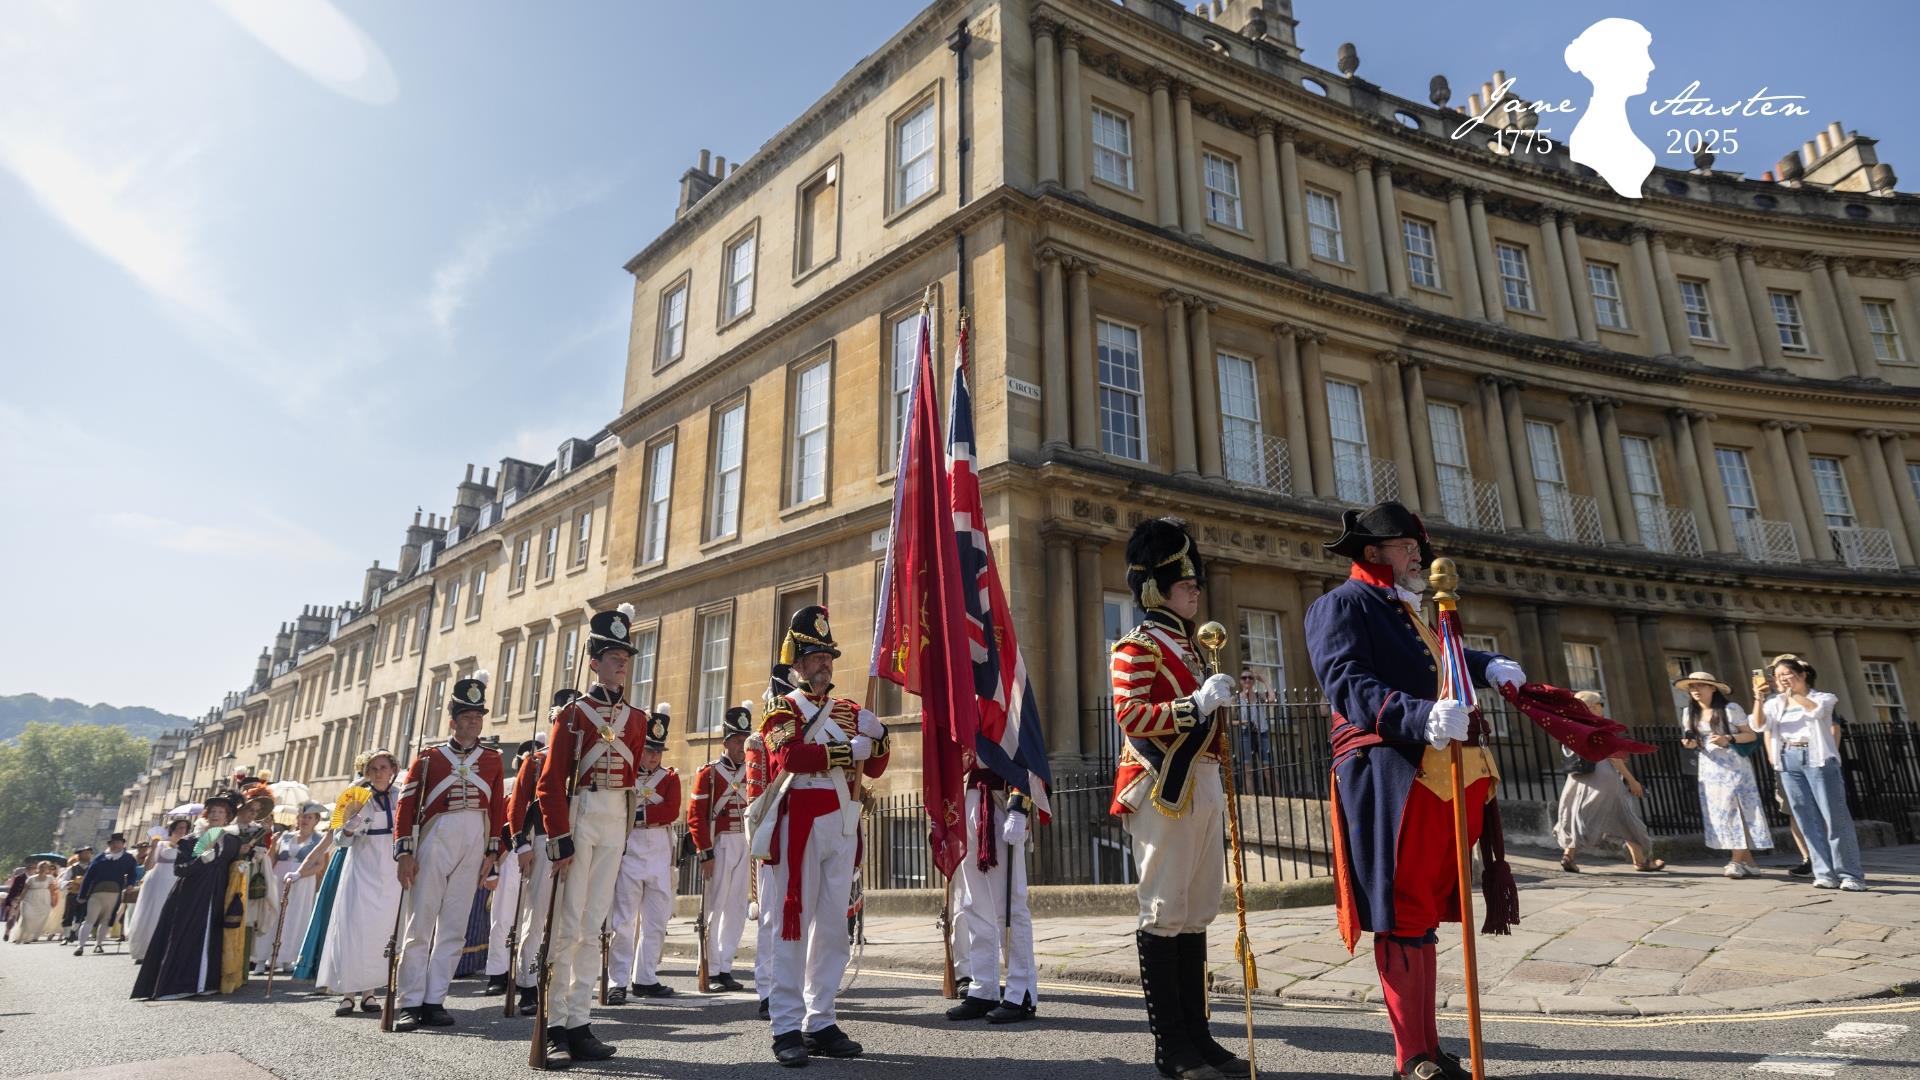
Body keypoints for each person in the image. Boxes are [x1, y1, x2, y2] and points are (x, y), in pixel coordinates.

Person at [1306, 502, 1526, 1080]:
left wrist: (1489, 664)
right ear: (1374, 553)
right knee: (1402, 911)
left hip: (1439, 774)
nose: (1419, 558)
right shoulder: (1341, 605)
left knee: (1422, 911)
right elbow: (1347, 682)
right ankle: (1413, 1057)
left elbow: (1437, 660)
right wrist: (1418, 716)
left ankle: (1429, 1047)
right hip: (1390, 769)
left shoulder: (1409, 612)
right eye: (1408, 548)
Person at [755, 605, 890, 1067]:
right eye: (813, 656)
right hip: (798, 823)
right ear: (795, 662)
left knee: (833, 926)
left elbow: (871, 766)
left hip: (840, 822)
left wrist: (880, 736)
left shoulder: (850, 711)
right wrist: (840, 750)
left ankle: (822, 1017)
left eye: (827, 655)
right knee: (791, 925)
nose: (822, 664)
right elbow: (789, 758)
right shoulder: (780, 709)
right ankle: (787, 1025)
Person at [537, 604, 651, 1064]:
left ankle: (580, 1020)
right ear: (593, 662)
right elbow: (550, 782)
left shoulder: (637, 719)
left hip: (613, 817)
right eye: (611, 656)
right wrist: (559, 837)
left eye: (624, 657)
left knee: (594, 924)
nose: (620, 663)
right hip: (581, 814)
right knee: (566, 926)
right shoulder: (573, 714)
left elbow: (633, 772)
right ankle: (554, 1024)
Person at [391, 672, 508, 1030]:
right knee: (421, 922)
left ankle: (434, 998)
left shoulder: (492, 760)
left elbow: (497, 810)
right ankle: (410, 1000)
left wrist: (493, 852)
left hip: (474, 839)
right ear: (453, 721)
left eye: (478, 718)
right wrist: (404, 853)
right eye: (467, 718)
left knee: (454, 926)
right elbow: (407, 808)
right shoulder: (429, 759)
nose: (474, 723)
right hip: (436, 837)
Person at [131, 791, 264, 999]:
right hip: (191, 896)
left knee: (212, 937)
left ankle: (206, 982)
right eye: (213, 811)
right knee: (186, 935)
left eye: (221, 812)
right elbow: (180, 869)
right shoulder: (193, 840)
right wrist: (201, 860)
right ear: (206, 814)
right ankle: (179, 984)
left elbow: (235, 863)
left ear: (228, 816)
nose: (216, 815)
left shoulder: (231, 840)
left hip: (217, 895)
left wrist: (249, 858)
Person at [1752, 657, 1865, 890]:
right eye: (1778, 675)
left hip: (1818, 760)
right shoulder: (1775, 703)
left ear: (1802, 675)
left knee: (1835, 818)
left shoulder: (1823, 698)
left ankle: (1850, 874)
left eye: (1786, 674)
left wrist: (1791, 693)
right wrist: (1758, 697)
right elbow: (1758, 724)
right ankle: (1823, 872)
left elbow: (1816, 712)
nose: (1781, 679)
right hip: (1788, 760)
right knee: (1806, 819)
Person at [312, 749, 405, 1016]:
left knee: (382, 928)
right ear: (365, 771)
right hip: (362, 865)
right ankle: (347, 993)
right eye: (373, 768)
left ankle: (370, 992)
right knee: (354, 925)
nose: (378, 773)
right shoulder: (353, 796)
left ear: (392, 769)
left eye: (383, 767)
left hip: (390, 866)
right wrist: (351, 825)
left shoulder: (401, 796)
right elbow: (339, 839)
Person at [947, 757, 1038, 1024]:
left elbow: (1029, 750)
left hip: (1000, 800)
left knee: (1009, 905)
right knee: (974, 904)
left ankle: (1021, 992)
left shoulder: (1013, 711)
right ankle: (983, 987)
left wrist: (1021, 804)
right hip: (969, 798)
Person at [607, 708, 680, 1003]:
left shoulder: (669, 778)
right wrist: (645, 815)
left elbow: (671, 810)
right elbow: (619, 811)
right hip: (631, 849)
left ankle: (646, 977)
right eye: (649, 750)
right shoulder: (625, 776)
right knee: (623, 921)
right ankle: (617, 981)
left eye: (658, 752)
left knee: (656, 920)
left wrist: (637, 814)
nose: (653, 757)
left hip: (660, 851)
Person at [509, 696, 572, 1016]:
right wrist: (520, 846)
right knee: (536, 918)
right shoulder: (536, 761)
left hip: (577, 843)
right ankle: (527, 983)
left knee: (567, 918)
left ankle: (559, 981)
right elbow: (517, 806)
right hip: (545, 841)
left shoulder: (585, 758)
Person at [1674, 672, 1772, 878]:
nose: (1696, 690)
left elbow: (1751, 735)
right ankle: (1750, 863)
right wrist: (1690, 743)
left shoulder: (1730, 709)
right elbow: (1691, 739)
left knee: (1735, 809)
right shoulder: (1688, 713)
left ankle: (1736, 860)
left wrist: (1729, 737)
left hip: (1734, 765)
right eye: (1692, 687)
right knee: (1721, 812)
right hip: (1709, 768)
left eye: (1701, 686)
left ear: (1713, 688)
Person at [1554, 691, 1662, 873]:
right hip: (1603, 775)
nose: (1601, 708)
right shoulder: (1598, 727)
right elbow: (1613, 757)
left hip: (1578, 777)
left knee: (1576, 814)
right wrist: (1632, 780)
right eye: (1599, 704)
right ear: (1594, 707)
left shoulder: (1570, 726)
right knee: (1625, 816)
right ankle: (1642, 861)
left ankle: (1569, 856)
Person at [689, 703, 755, 994]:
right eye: (737, 741)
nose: (742, 746)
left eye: (745, 740)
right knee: (714, 908)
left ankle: (725, 966)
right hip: (721, 843)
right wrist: (705, 852)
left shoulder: (752, 772)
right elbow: (695, 816)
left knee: (737, 908)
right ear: (726, 742)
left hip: (746, 843)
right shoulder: (710, 774)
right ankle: (710, 967)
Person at [260, 804, 325, 973]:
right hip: (280, 877)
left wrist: (299, 875)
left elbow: (320, 866)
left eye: (309, 817)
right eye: (302, 816)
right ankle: (264, 957)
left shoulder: (319, 840)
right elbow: (271, 859)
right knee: (274, 914)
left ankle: (287, 958)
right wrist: (273, 846)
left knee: (295, 917)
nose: (304, 820)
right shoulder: (284, 836)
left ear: (316, 820)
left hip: (303, 883)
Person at [74, 834, 140, 955]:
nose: (115, 845)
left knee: (106, 919)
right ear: (109, 844)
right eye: (113, 843)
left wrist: (130, 884)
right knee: (89, 919)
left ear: (123, 844)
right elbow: (88, 877)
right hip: (96, 893)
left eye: (118, 842)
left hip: (115, 894)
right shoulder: (100, 858)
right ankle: (80, 946)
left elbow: (132, 873)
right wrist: (82, 895)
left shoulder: (128, 858)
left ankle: (98, 944)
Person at [8, 862, 57, 943]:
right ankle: (22, 935)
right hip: (29, 900)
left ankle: (32, 936)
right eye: (41, 867)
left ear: (48, 869)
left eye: (45, 867)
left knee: (40, 919)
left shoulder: (50, 878)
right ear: (38, 868)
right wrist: (19, 900)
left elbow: (52, 890)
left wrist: (53, 900)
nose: (43, 869)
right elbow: (24, 890)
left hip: (44, 900)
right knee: (27, 918)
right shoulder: (31, 878)